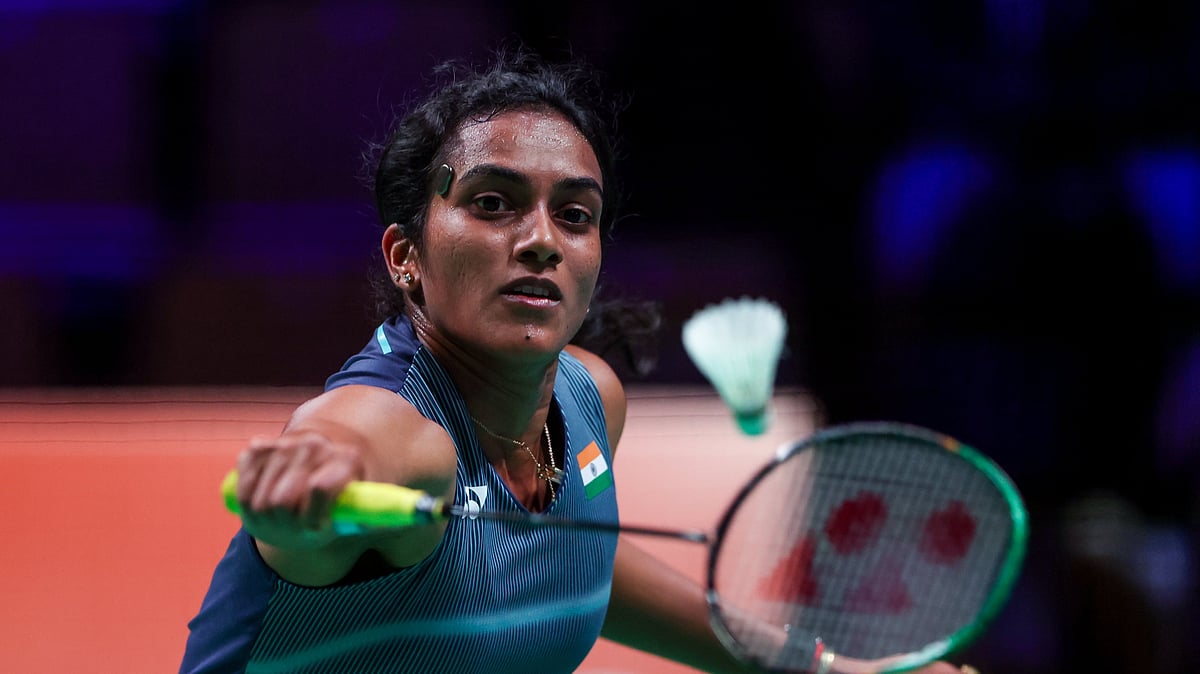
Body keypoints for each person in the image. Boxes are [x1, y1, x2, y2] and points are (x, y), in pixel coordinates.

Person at [179, 46, 971, 674]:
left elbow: (570, 563)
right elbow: (344, 448)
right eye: (492, 202)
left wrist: (833, 670)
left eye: (575, 214)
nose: (540, 240)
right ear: (405, 254)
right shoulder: (402, 438)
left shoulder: (590, 401)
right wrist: (306, 481)